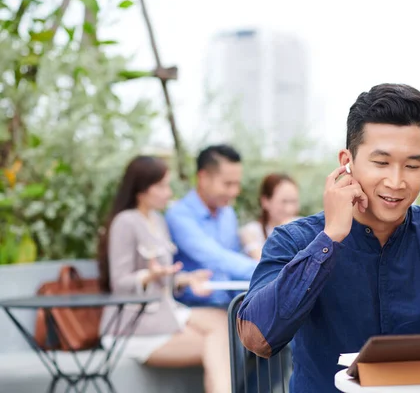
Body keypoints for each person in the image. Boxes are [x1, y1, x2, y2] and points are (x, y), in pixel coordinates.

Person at [236, 83, 420, 392]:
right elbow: (257, 337)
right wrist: (330, 238)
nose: (396, 182)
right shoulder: (294, 239)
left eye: (411, 165)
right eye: (381, 163)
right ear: (347, 161)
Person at [97, 155, 231, 393]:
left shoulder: (157, 221)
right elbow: (120, 283)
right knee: (218, 346)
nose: (168, 193)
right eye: (162, 186)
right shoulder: (125, 222)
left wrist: (187, 279)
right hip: (134, 326)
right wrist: (148, 277)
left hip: (164, 313)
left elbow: (163, 277)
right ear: (141, 189)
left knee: (222, 324)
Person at [166, 144, 258, 307]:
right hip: (194, 308)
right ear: (203, 178)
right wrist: (267, 269)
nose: (234, 191)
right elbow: (216, 257)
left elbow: (234, 258)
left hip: (230, 307)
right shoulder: (180, 215)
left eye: (237, 184)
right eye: (228, 184)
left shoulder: (227, 213)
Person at [239, 173, 300, 260]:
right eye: (284, 201)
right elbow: (264, 264)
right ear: (265, 201)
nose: (289, 209)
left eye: (293, 201)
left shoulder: (305, 227)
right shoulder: (251, 232)